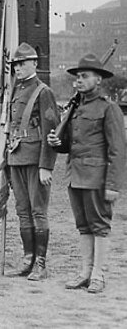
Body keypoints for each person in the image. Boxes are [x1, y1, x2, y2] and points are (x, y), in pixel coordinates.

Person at [47, 53, 126, 293]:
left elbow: (118, 150)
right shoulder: (75, 108)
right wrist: (56, 142)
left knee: (99, 225)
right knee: (83, 226)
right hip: (75, 175)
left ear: (98, 80)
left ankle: (98, 274)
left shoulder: (109, 108)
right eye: (77, 77)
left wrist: (113, 185)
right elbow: (70, 143)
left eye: (84, 76)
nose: (78, 81)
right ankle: (85, 271)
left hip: (97, 178)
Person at [1, 43, 59, 281]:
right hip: (16, 157)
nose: (18, 68)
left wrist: (46, 165)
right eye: (15, 64)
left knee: (38, 211)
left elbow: (51, 131)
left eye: (22, 64)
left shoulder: (43, 91)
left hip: (36, 159)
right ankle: (28, 258)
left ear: (35, 63)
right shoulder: (16, 89)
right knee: (22, 210)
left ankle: (41, 264)